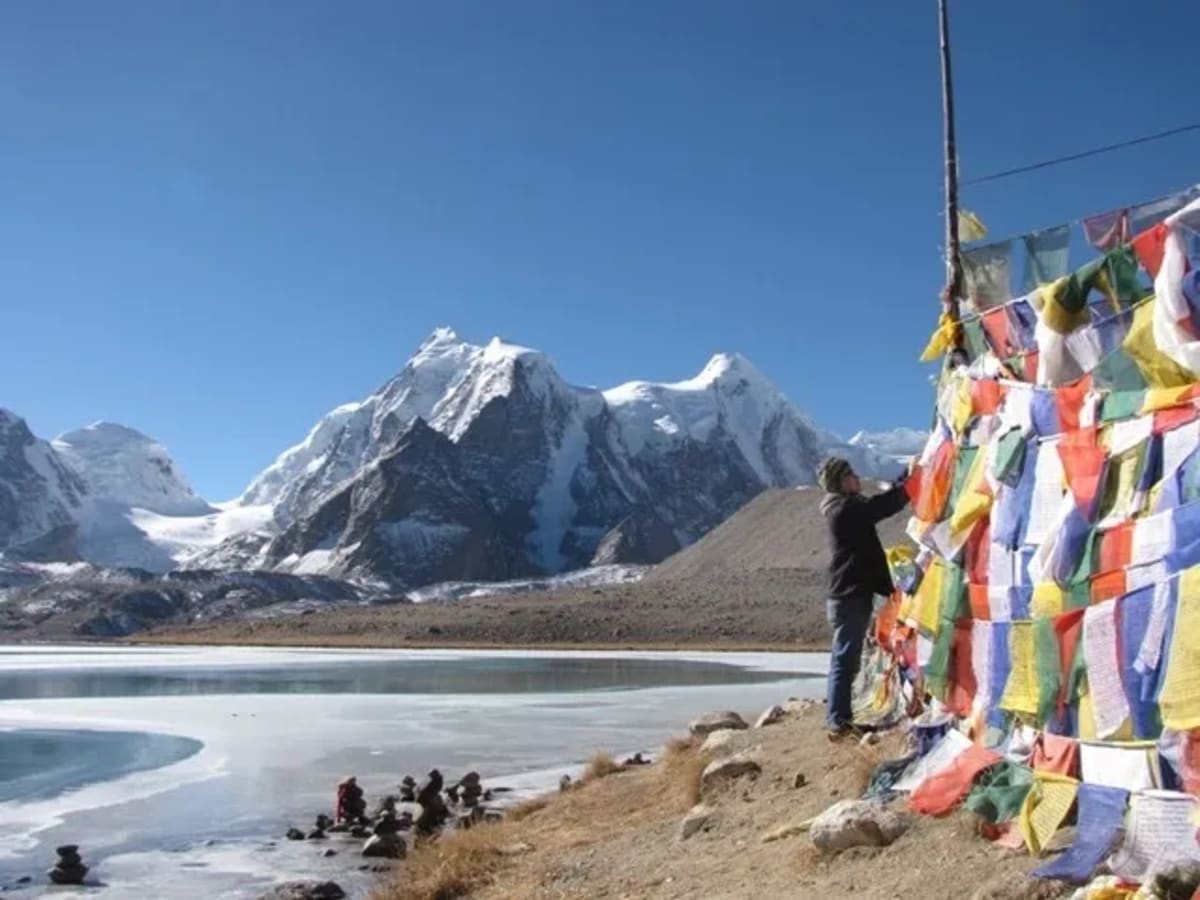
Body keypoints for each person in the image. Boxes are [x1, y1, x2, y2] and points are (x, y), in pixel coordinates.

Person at [817, 457, 911, 739]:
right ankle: (838, 722)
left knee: (845, 658)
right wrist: (909, 487)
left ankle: (839, 718)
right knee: (845, 659)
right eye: (852, 474)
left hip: (847, 594)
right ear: (841, 481)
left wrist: (903, 480)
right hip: (851, 595)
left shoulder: (841, 508)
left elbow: (876, 505)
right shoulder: (845, 509)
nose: (857, 478)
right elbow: (880, 507)